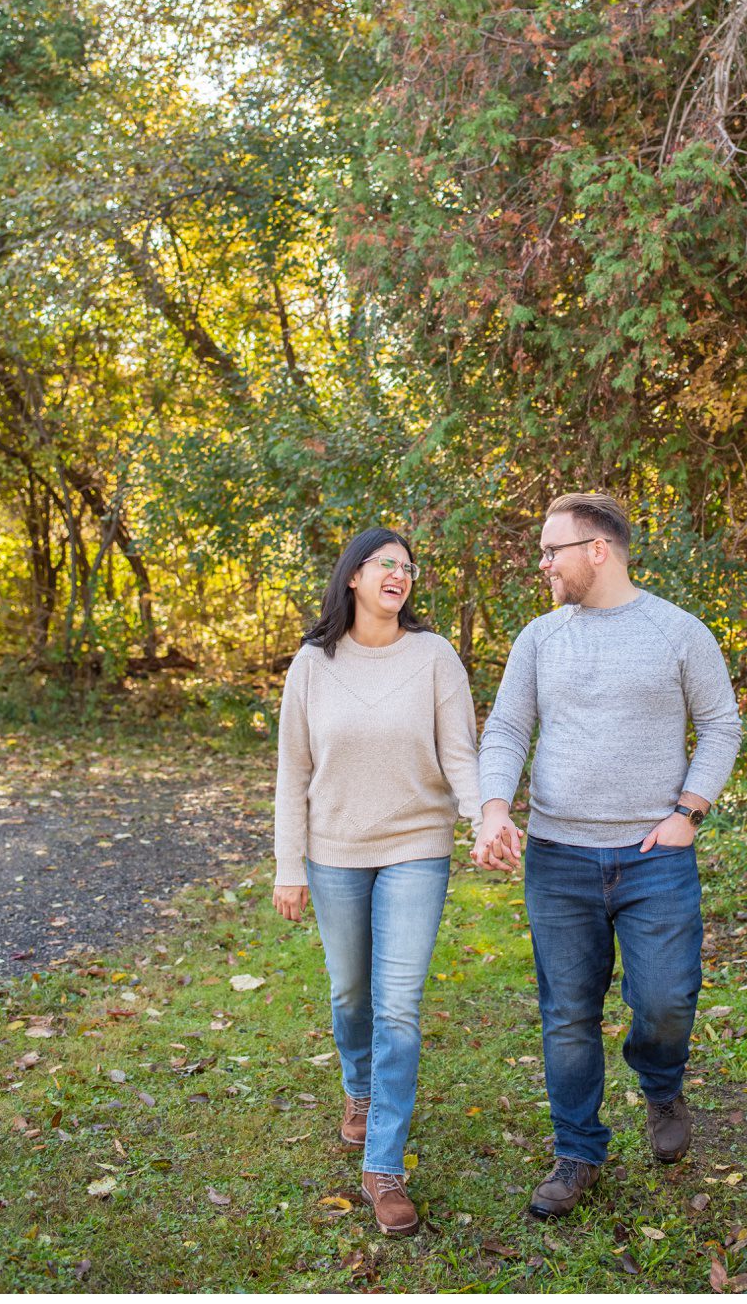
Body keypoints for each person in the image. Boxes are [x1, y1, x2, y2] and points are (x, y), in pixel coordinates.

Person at [471, 491, 742, 1220]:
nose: (542, 564)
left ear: (597, 551)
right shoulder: (539, 639)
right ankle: (578, 1151)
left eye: (551, 550)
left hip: (655, 855)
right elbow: (505, 730)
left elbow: (721, 725)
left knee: (664, 1001)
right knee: (567, 1015)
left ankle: (661, 1085)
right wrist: (494, 806)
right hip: (559, 855)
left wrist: (689, 812)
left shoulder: (677, 632)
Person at [272, 526, 481, 1238]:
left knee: (398, 1007)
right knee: (349, 992)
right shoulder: (313, 663)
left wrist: (485, 817)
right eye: (386, 563)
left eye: (409, 567)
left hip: (416, 848)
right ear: (354, 578)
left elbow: (462, 756)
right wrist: (287, 864)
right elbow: (292, 773)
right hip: (333, 851)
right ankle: (357, 1088)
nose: (401, 573)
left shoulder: (434, 658)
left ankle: (384, 1166)